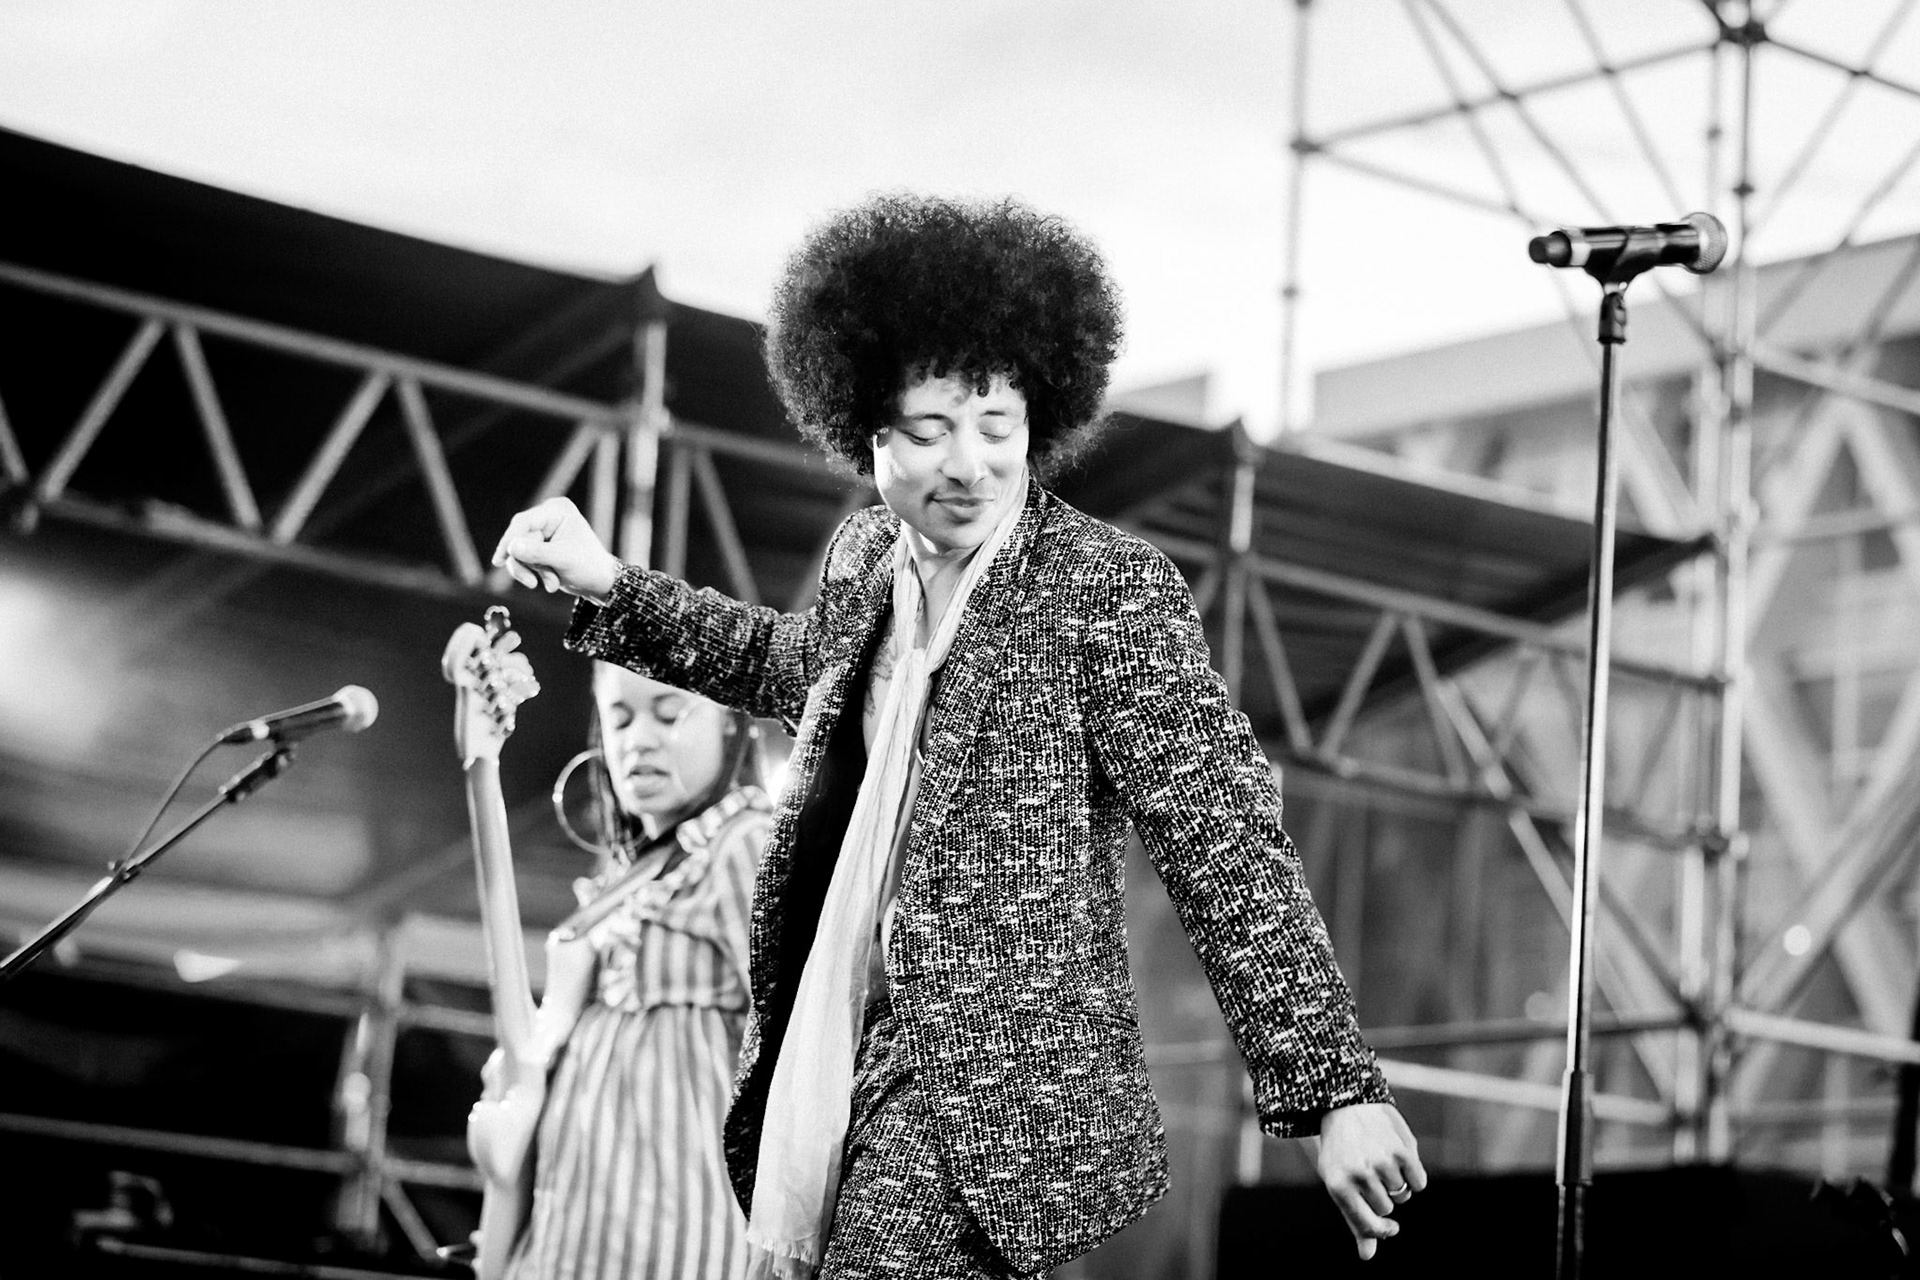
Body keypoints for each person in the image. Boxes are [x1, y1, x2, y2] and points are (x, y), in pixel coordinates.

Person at [492, 193, 1423, 1278]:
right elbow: (786, 664)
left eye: (998, 426)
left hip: (993, 1083)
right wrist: (609, 581)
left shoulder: (1103, 589)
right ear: (866, 432)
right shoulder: (861, 562)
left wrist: (1333, 1089)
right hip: (852, 1044)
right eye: (931, 431)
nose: (970, 463)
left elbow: (1220, 840)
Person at [467, 650, 770, 1280]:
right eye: (620, 718)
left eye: (668, 714)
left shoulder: (745, 845)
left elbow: (805, 1049)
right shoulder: (628, 876)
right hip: (572, 1241)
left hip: (677, 1241)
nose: (639, 741)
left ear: (731, 725)